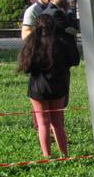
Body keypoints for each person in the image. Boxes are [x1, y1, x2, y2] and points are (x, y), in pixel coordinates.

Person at [17, 14, 80, 158]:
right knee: (57, 124)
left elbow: (26, 68)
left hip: (38, 89)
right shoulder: (61, 42)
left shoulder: (32, 43)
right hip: (58, 88)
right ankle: (64, 155)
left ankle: (47, 157)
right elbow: (74, 60)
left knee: (43, 123)